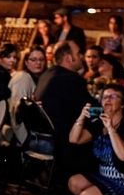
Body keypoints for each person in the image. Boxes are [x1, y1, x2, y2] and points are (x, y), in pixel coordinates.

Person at [33, 40, 95, 180]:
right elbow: (90, 107)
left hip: (42, 138)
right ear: (68, 58)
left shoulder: (47, 74)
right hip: (63, 143)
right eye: (78, 53)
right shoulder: (69, 79)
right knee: (100, 125)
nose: (82, 56)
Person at [8, 45, 47, 145]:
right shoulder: (23, 78)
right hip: (23, 135)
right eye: (33, 59)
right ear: (26, 62)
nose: (38, 63)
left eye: (41, 59)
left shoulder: (41, 79)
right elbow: (18, 109)